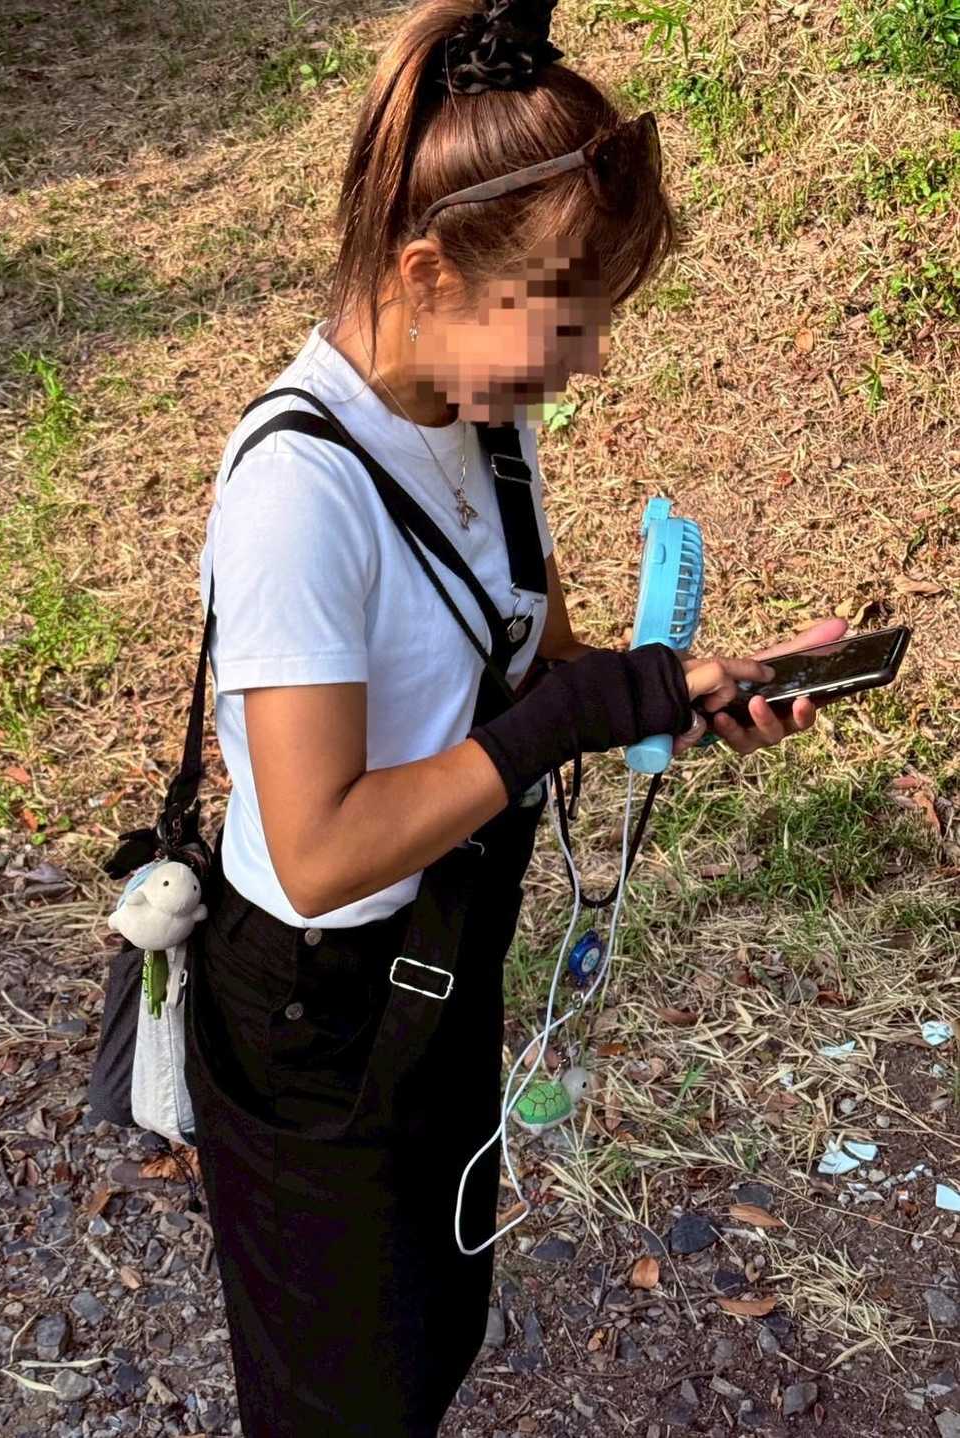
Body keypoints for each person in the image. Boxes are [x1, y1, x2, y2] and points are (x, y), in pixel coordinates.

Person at [184, 1, 845, 1433]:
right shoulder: (299, 494)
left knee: (431, 1331)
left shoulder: (484, 423)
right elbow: (317, 850)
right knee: (341, 1392)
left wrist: (686, 686)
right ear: (430, 272)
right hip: (316, 1010)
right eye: (565, 321)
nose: (585, 361)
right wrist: (573, 716)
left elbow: (529, 669)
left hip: (445, 954)